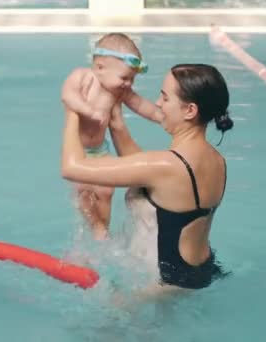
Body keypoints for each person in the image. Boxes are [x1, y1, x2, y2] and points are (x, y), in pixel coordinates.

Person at [61, 64, 233, 289]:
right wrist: (115, 116)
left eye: (165, 97)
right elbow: (145, 173)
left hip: (163, 289)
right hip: (200, 271)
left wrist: (73, 110)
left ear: (190, 110)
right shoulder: (217, 160)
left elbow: (71, 168)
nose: (158, 103)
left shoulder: (166, 165)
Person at [60, 33, 150, 239]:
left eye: (132, 79)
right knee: (84, 191)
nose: (128, 84)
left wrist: (160, 117)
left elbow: (140, 104)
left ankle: (103, 229)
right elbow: (67, 95)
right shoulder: (82, 77)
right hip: (80, 151)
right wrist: (89, 111)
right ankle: (95, 226)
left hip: (100, 149)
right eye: (125, 78)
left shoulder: (116, 91)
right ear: (100, 67)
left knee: (107, 191)